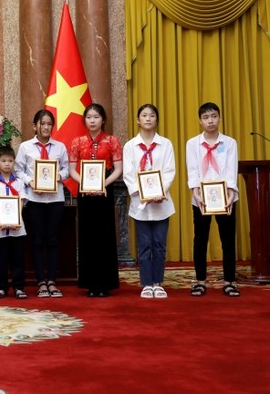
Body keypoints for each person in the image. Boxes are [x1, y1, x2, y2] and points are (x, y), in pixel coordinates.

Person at [185, 102, 240, 297]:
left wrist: (231, 193)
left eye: (214, 116)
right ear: (200, 121)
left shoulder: (229, 143)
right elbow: (193, 170)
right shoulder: (192, 144)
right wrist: (196, 193)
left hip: (226, 198)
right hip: (201, 199)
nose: (210, 121)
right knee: (200, 239)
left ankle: (229, 281)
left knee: (227, 240)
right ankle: (200, 281)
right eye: (206, 117)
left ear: (219, 118)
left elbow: (231, 170)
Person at [122, 104, 176, 299]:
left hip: (162, 203)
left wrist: (160, 191)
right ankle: (146, 283)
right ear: (138, 120)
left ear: (157, 120)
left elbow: (170, 171)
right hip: (140, 205)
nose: (147, 118)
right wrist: (141, 192)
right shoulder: (130, 146)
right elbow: (128, 174)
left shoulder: (166, 144)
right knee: (144, 244)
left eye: (152, 115)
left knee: (159, 244)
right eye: (144, 115)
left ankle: (158, 282)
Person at [69, 104, 123, 297]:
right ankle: (90, 283)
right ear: (85, 120)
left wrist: (103, 184)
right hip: (85, 194)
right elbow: (71, 170)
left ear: (103, 120)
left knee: (104, 236)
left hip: (104, 194)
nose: (92, 120)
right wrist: (84, 183)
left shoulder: (112, 141)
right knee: (88, 237)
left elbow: (118, 169)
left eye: (96, 117)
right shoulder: (77, 142)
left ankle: (105, 283)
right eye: (89, 117)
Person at [14, 109, 69, 298]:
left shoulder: (60, 147)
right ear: (34, 126)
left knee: (53, 240)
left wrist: (57, 176)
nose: (46, 127)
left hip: (55, 199)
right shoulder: (25, 147)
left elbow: (67, 169)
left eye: (49, 124)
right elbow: (18, 170)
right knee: (37, 240)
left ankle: (52, 281)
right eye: (42, 123)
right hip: (35, 200)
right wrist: (31, 181)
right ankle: (40, 282)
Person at [0, 145, 28, 299]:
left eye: (10, 161)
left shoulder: (20, 183)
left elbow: (21, 202)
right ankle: (1, 287)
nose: (7, 164)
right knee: (1, 260)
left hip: (17, 229)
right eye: (4, 161)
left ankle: (19, 287)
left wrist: (15, 218)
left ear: (14, 162)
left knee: (17, 259)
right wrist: (0, 220)